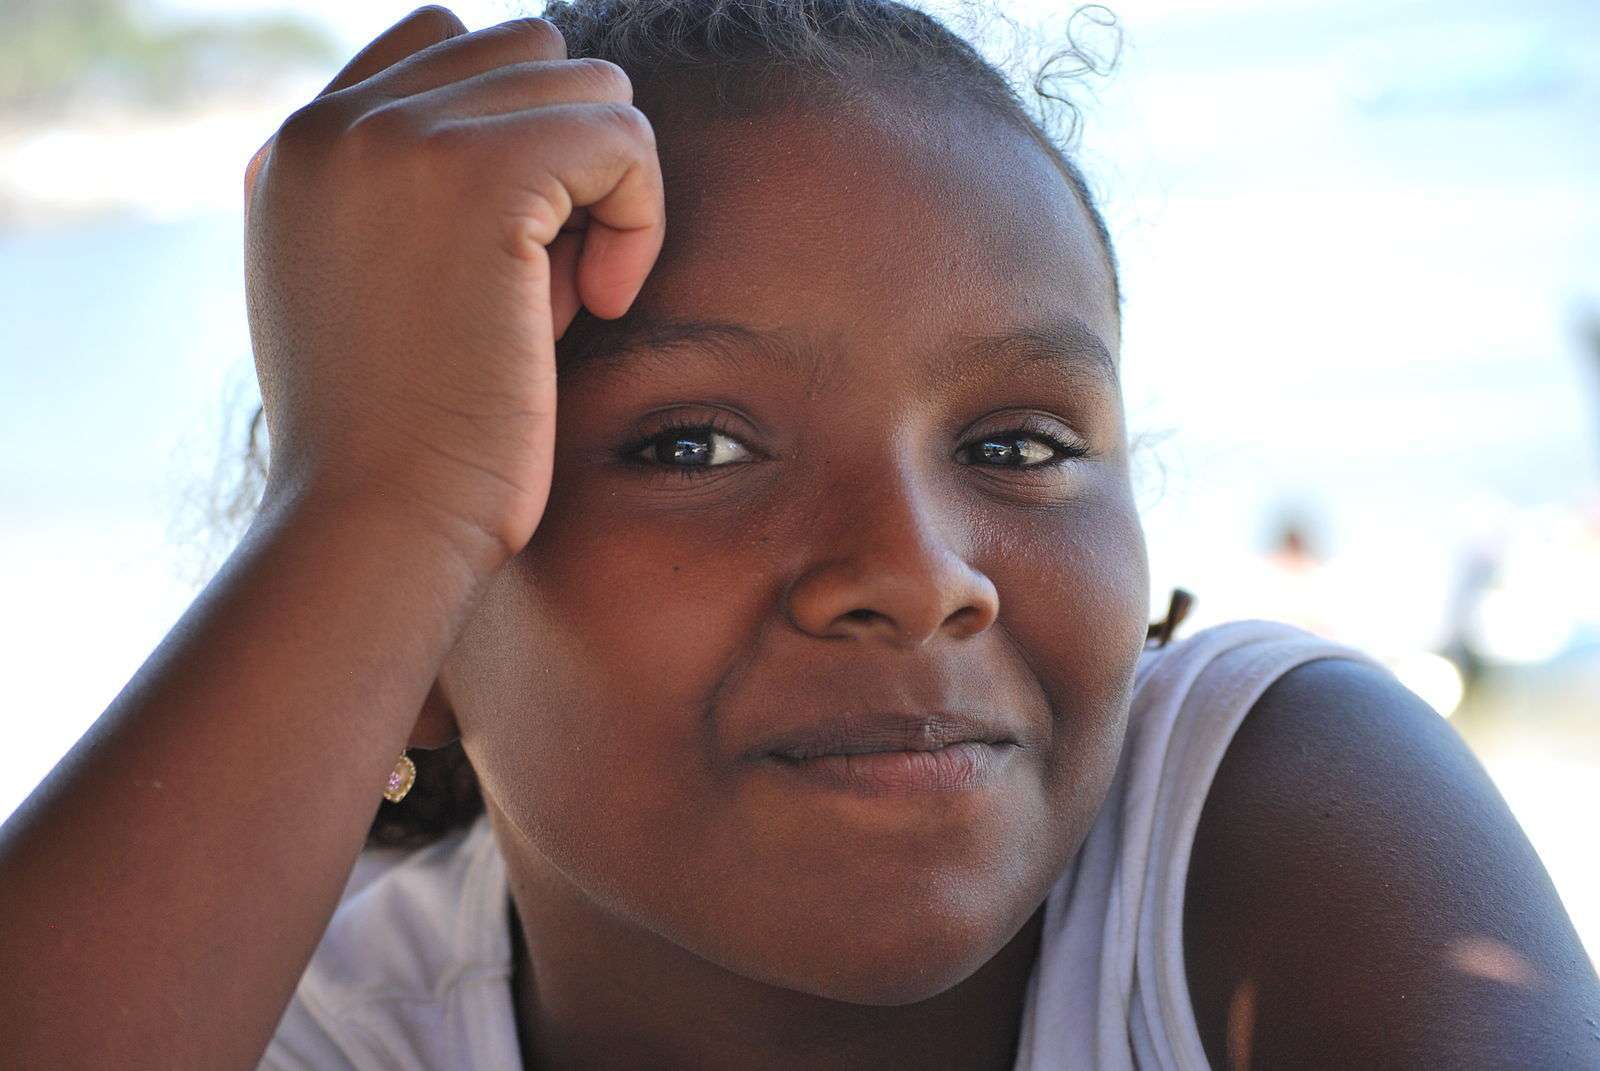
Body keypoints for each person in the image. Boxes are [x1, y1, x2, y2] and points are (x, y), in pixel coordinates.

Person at [3, 2, 1596, 1067]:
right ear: (403, 626)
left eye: (1019, 445)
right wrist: (364, 494)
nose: (916, 573)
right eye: (692, 445)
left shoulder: (1262, 823)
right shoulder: (331, 1020)